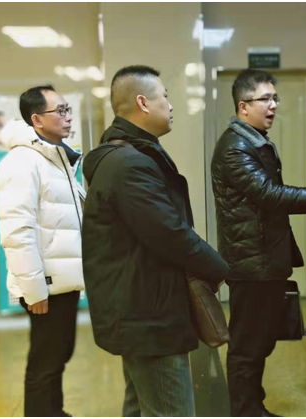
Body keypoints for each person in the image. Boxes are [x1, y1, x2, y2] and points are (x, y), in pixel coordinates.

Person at [211, 69, 306, 417]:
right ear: (243, 106)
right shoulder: (235, 147)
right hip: (251, 263)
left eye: (275, 98)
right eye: (265, 99)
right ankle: (245, 411)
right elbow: (270, 195)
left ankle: (253, 405)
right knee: (248, 344)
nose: (273, 106)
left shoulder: (253, 140)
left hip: (263, 258)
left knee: (260, 340)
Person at [81, 65, 229, 417]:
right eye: (165, 96)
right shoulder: (130, 165)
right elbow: (170, 234)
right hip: (149, 316)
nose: (171, 105)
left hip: (142, 307)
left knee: (141, 405)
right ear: (143, 102)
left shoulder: (127, 156)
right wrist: (222, 269)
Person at [0, 85, 85, 417]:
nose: (68, 116)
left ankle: (54, 412)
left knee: (57, 355)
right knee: (45, 361)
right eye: (59, 110)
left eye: (68, 109)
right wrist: (34, 290)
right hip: (45, 285)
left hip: (61, 281)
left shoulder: (54, 158)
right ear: (36, 119)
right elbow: (18, 232)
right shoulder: (22, 162)